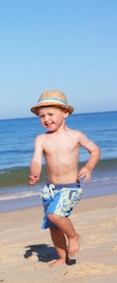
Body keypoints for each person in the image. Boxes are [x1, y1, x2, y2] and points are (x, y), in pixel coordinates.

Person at [29, 90, 101, 266]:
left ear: (65, 113)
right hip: (50, 189)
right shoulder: (41, 139)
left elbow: (94, 150)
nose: (46, 119)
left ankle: (74, 236)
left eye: (50, 114)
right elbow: (37, 159)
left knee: (55, 215)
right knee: (53, 227)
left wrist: (89, 167)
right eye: (42, 116)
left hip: (69, 188)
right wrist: (34, 173)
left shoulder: (75, 136)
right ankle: (62, 257)